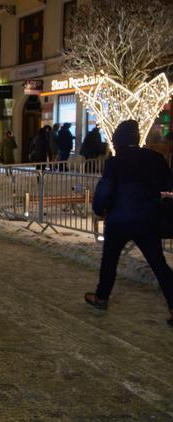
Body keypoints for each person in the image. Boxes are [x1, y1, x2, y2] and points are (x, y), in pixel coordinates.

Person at [85, 120, 173, 327]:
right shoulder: (155, 158)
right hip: (146, 218)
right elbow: (168, 184)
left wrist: (99, 209)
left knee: (110, 261)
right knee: (158, 264)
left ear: (118, 141)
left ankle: (102, 297)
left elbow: (106, 190)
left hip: (119, 220)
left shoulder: (115, 162)